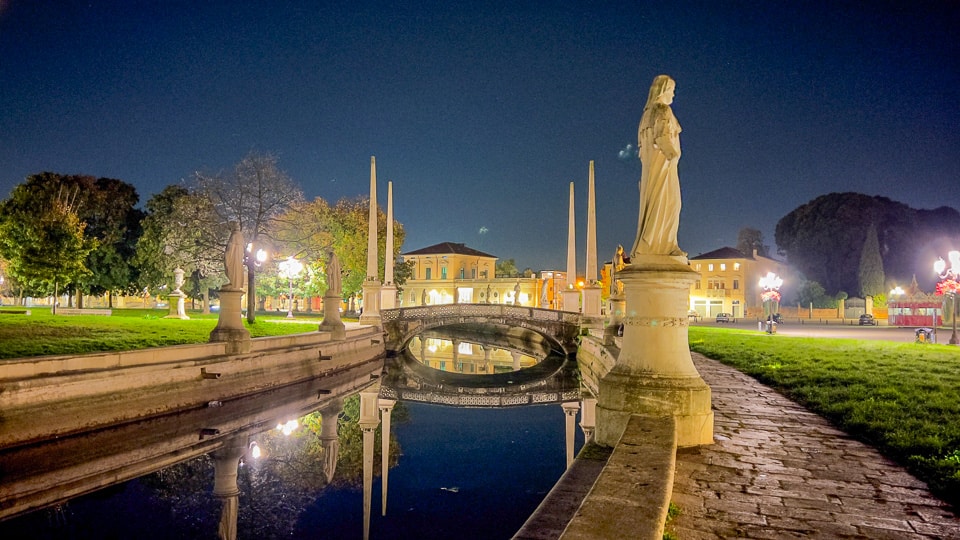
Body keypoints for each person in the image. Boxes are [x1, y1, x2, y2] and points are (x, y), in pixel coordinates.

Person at [631, 75, 686, 258]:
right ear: (662, 91)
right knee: (671, 203)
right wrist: (674, 153)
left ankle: (656, 244)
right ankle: (664, 245)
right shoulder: (662, 110)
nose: (673, 94)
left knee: (656, 203)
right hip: (664, 167)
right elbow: (662, 137)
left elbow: (642, 149)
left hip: (652, 168)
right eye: (671, 90)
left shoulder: (646, 115)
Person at [225, 222, 245, 289]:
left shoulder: (234, 235)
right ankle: (236, 283)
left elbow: (230, 248)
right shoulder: (241, 237)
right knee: (237, 269)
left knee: (232, 269)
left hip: (234, 257)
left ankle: (234, 284)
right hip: (239, 258)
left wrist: (226, 255)